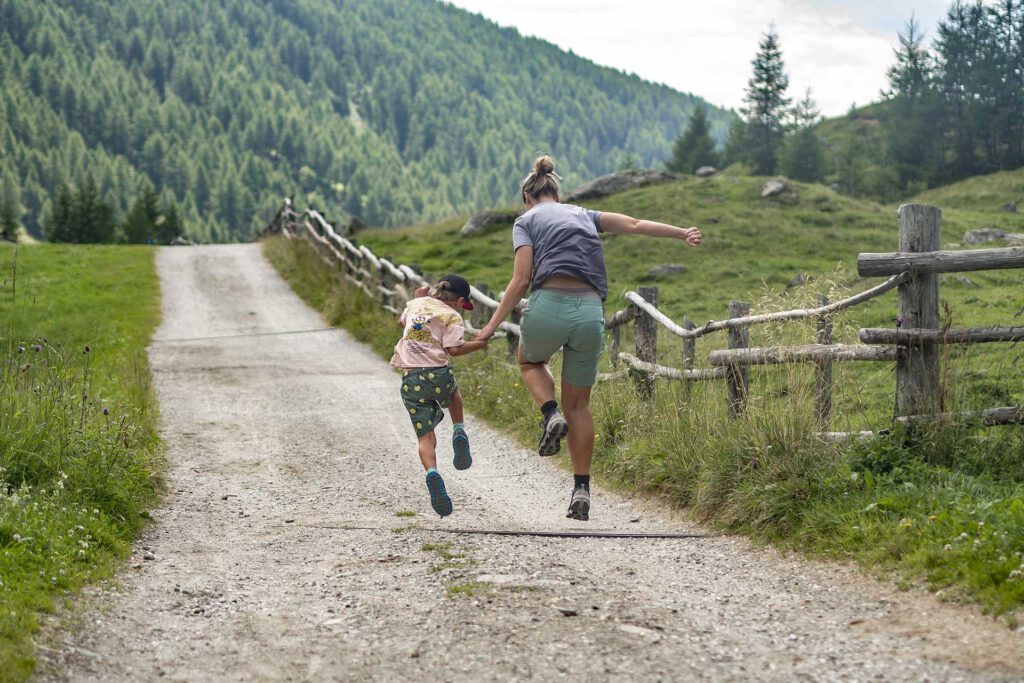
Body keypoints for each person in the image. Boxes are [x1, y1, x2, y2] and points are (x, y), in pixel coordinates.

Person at [474, 155, 702, 521]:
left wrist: (488, 328)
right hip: (589, 312)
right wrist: (682, 232)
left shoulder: (526, 221)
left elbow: (520, 281)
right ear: (557, 195)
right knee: (578, 406)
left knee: (531, 361)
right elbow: (635, 223)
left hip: (547, 303)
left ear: (528, 198)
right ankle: (581, 488)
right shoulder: (584, 214)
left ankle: (549, 414)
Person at [392, 274, 488, 517]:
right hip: (438, 376)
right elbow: (454, 350)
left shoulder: (415, 306)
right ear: (459, 301)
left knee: (425, 437)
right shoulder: (452, 316)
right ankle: (458, 430)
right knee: (453, 392)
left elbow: (403, 324)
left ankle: (432, 472)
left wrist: (417, 299)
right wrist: (480, 343)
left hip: (411, 380)